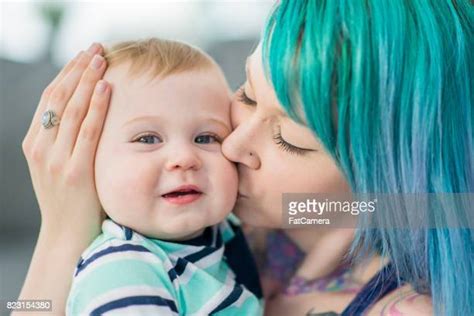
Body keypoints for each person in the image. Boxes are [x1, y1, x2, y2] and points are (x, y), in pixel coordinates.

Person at [18, 1, 472, 315]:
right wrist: (59, 233)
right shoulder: (221, 221)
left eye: (291, 140)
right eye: (248, 95)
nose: (232, 145)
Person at [64, 38, 262, 315]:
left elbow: (323, 211)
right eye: (147, 138)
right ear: (88, 161)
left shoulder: (224, 229)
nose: (184, 158)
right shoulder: (125, 270)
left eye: (206, 137)